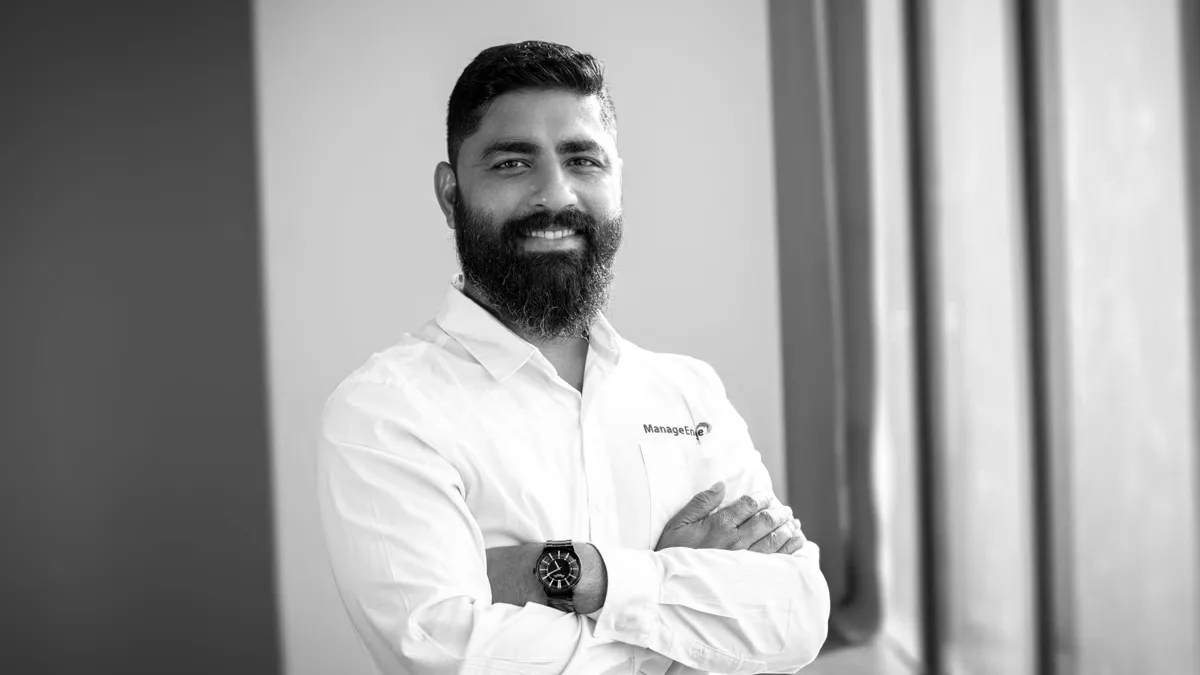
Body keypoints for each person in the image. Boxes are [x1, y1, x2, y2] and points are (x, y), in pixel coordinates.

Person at [317, 40, 830, 675]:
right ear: (450, 195)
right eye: (512, 163)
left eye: (583, 160)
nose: (555, 194)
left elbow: (795, 618)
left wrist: (582, 574)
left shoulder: (689, 392)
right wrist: (681, 619)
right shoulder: (386, 411)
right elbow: (448, 652)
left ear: (618, 180)